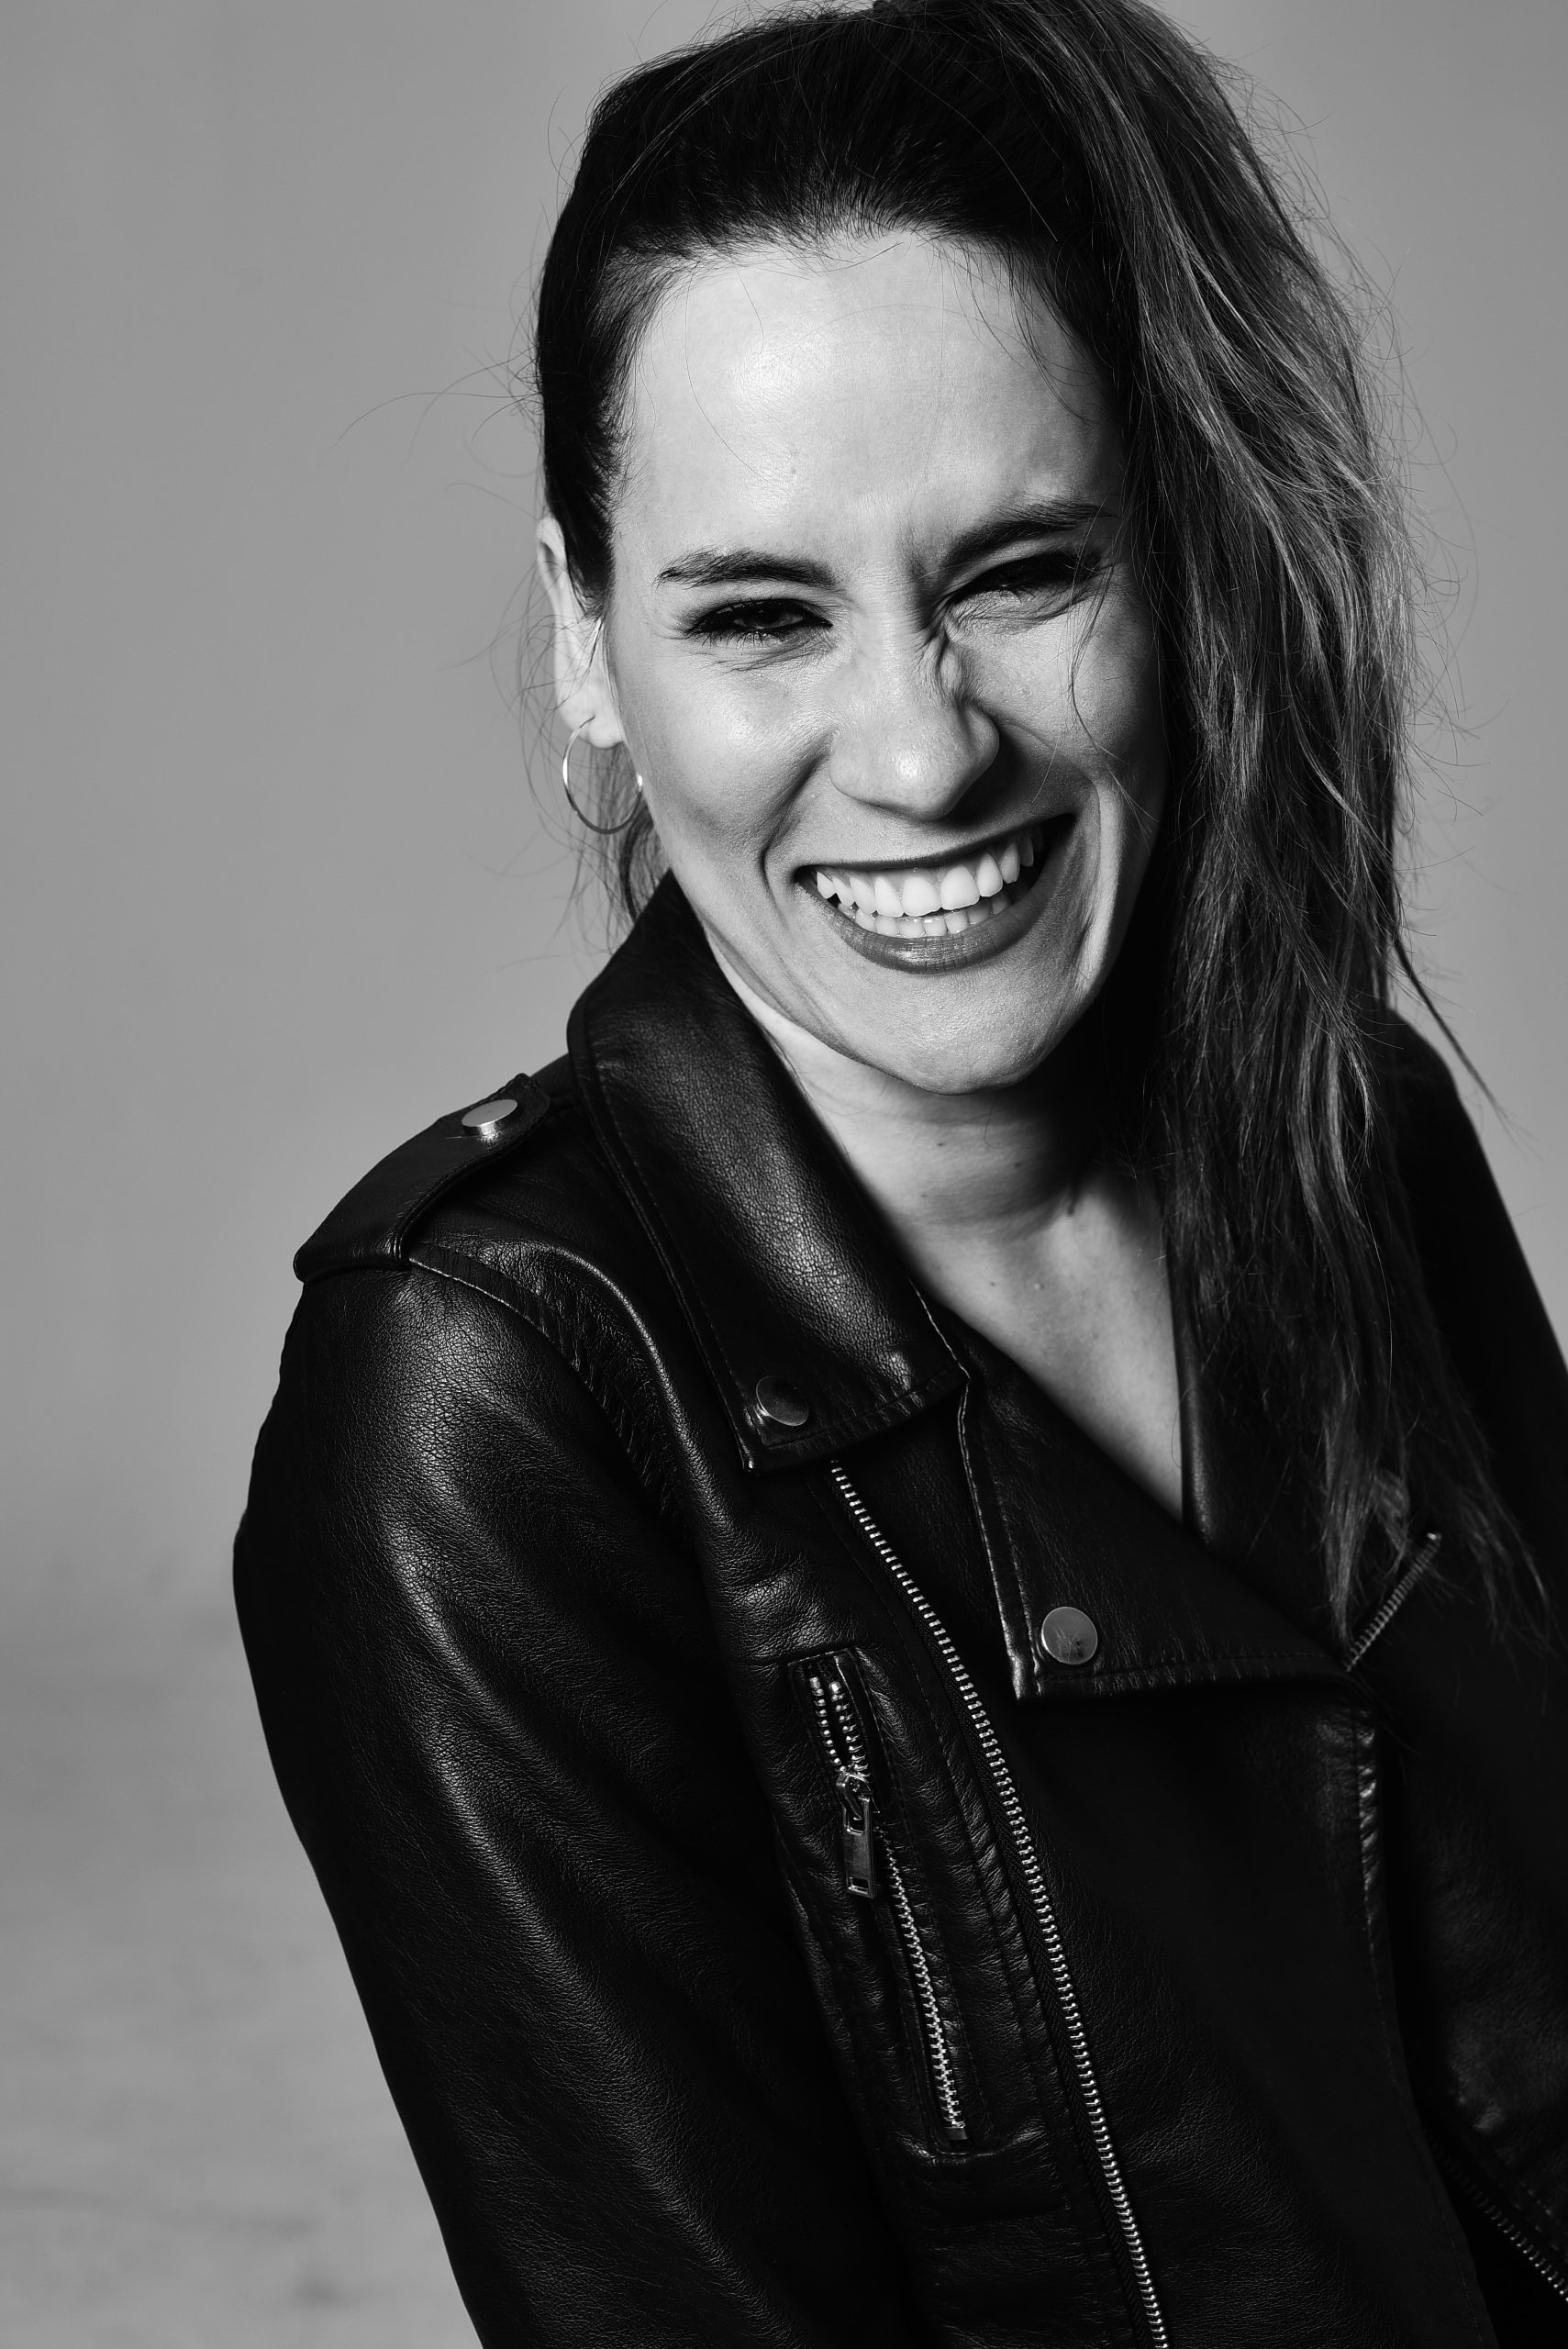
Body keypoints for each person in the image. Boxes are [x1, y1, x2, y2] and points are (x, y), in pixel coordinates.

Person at [234, 2, 1568, 2341]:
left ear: (1175, 563)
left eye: (1021, 571)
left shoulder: (1354, 1129)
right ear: (586, 646)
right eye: (762, 615)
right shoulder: (481, 1406)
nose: (923, 751)